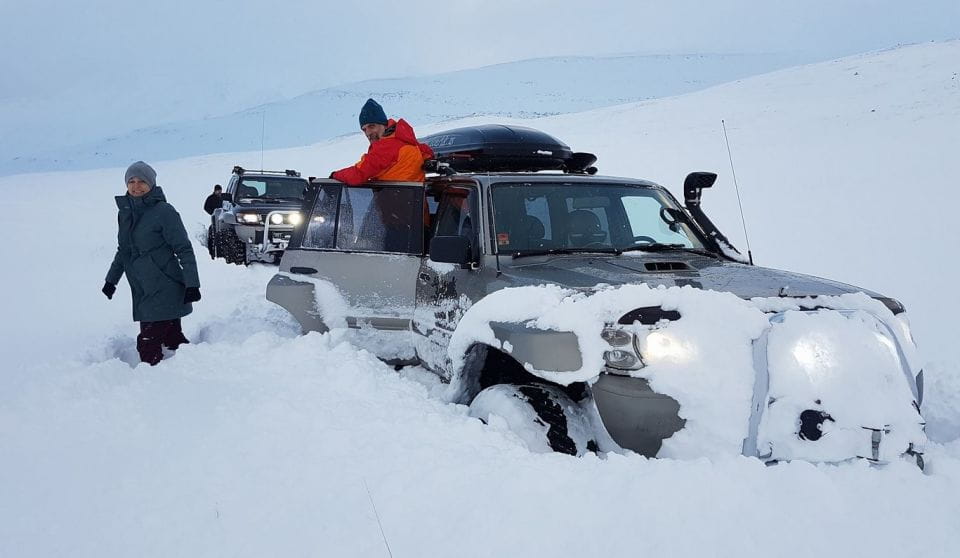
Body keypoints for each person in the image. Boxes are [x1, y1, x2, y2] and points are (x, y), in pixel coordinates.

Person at [102, 161, 201, 366]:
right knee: (172, 337)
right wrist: (111, 280)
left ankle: (152, 386)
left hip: (165, 285)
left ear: (151, 185)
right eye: (131, 181)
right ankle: (190, 368)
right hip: (142, 286)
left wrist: (193, 284)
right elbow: (124, 250)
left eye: (142, 181)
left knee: (148, 343)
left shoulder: (164, 211)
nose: (136, 186)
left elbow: (183, 249)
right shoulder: (125, 213)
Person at [330, 98, 434, 185]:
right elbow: (427, 153)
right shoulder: (406, 142)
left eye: (371, 126)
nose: (368, 133)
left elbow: (358, 174)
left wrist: (334, 175)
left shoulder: (387, 147)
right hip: (413, 206)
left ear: (384, 124)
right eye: (364, 129)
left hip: (395, 205)